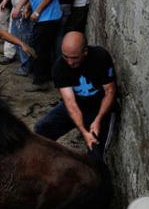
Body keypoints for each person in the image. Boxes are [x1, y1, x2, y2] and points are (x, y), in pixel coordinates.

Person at [34, 31, 115, 161]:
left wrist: (98, 119)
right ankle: (46, 163)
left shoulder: (100, 57)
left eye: (75, 58)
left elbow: (110, 91)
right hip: (77, 104)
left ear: (85, 51)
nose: (70, 62)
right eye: (66, 57)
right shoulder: (59, 67)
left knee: (95, 151)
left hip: (99, 107)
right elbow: (70, 103)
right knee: (42, 128)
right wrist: (83, 132)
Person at [25, 0, 62, 92]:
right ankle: (42, 77)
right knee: (41, 48)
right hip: (43, 18)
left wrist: (37, 12)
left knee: (39, 49)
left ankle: (41, 81)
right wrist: (29, 7)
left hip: (48, 18)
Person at [0, 0, 33, 76]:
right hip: (16, 6)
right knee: (15, 35)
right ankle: (24, 63)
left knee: (23, 37)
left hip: (23, 8)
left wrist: (20, 7)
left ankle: (27, 67)